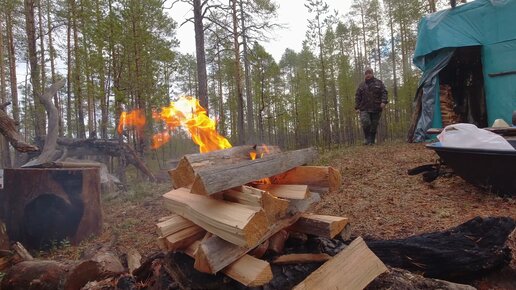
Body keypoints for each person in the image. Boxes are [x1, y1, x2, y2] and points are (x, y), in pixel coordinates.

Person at [355, 68, 388, 145]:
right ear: (365, 75)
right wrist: (357, 107)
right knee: (365, 122)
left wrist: (383, 101)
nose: (368, 75)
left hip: (376, 107)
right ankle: (367, 138)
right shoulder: (361, 85)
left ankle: (372, 140)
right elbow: (357, 96)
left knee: (374, 125)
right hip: (364, 108)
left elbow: (384, 92)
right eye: (366, 74)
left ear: (372, 74)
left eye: (369, 73)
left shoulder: (379, 83)